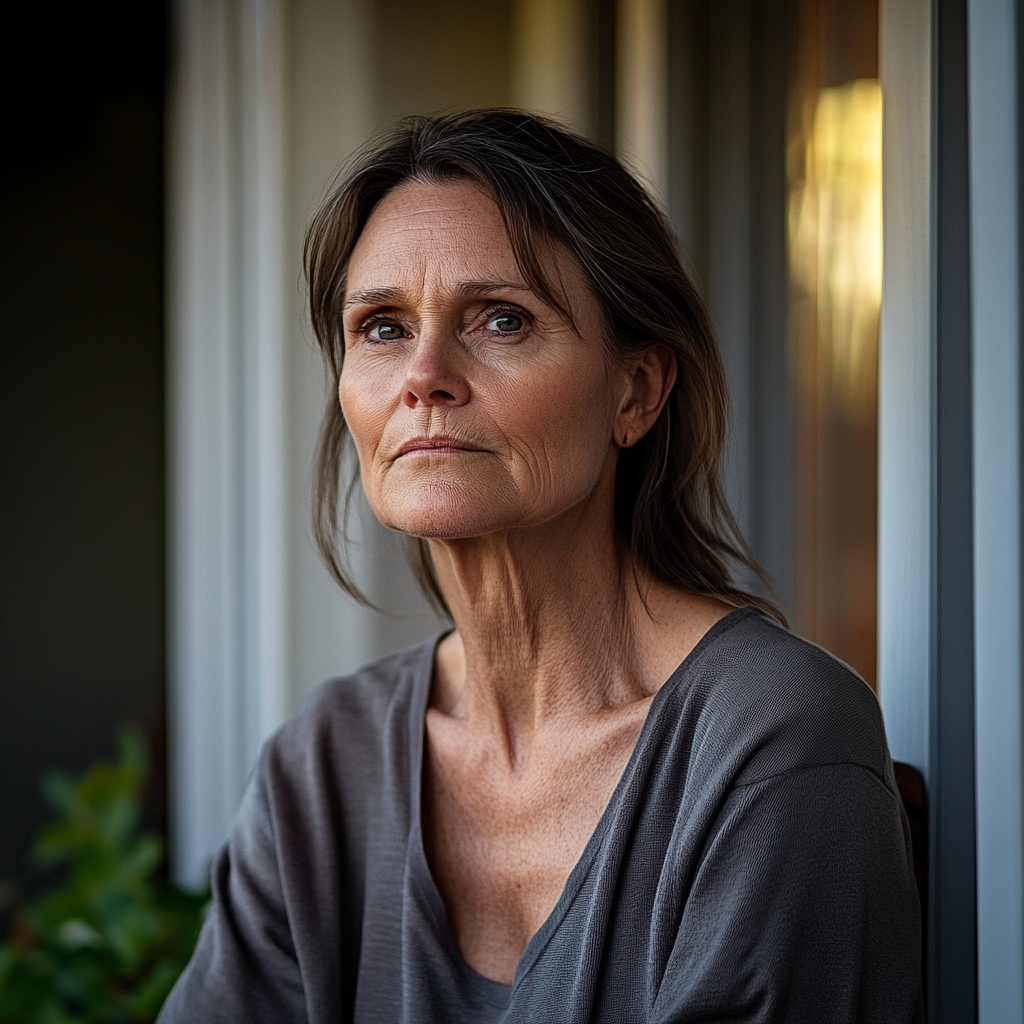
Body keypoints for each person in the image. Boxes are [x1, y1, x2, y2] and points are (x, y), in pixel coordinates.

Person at [158, 110, 921, 1024]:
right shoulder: (324, 772)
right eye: (383, 327)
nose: (425, 374)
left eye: (502, 319)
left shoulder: (770, 741)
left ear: (635, 392)